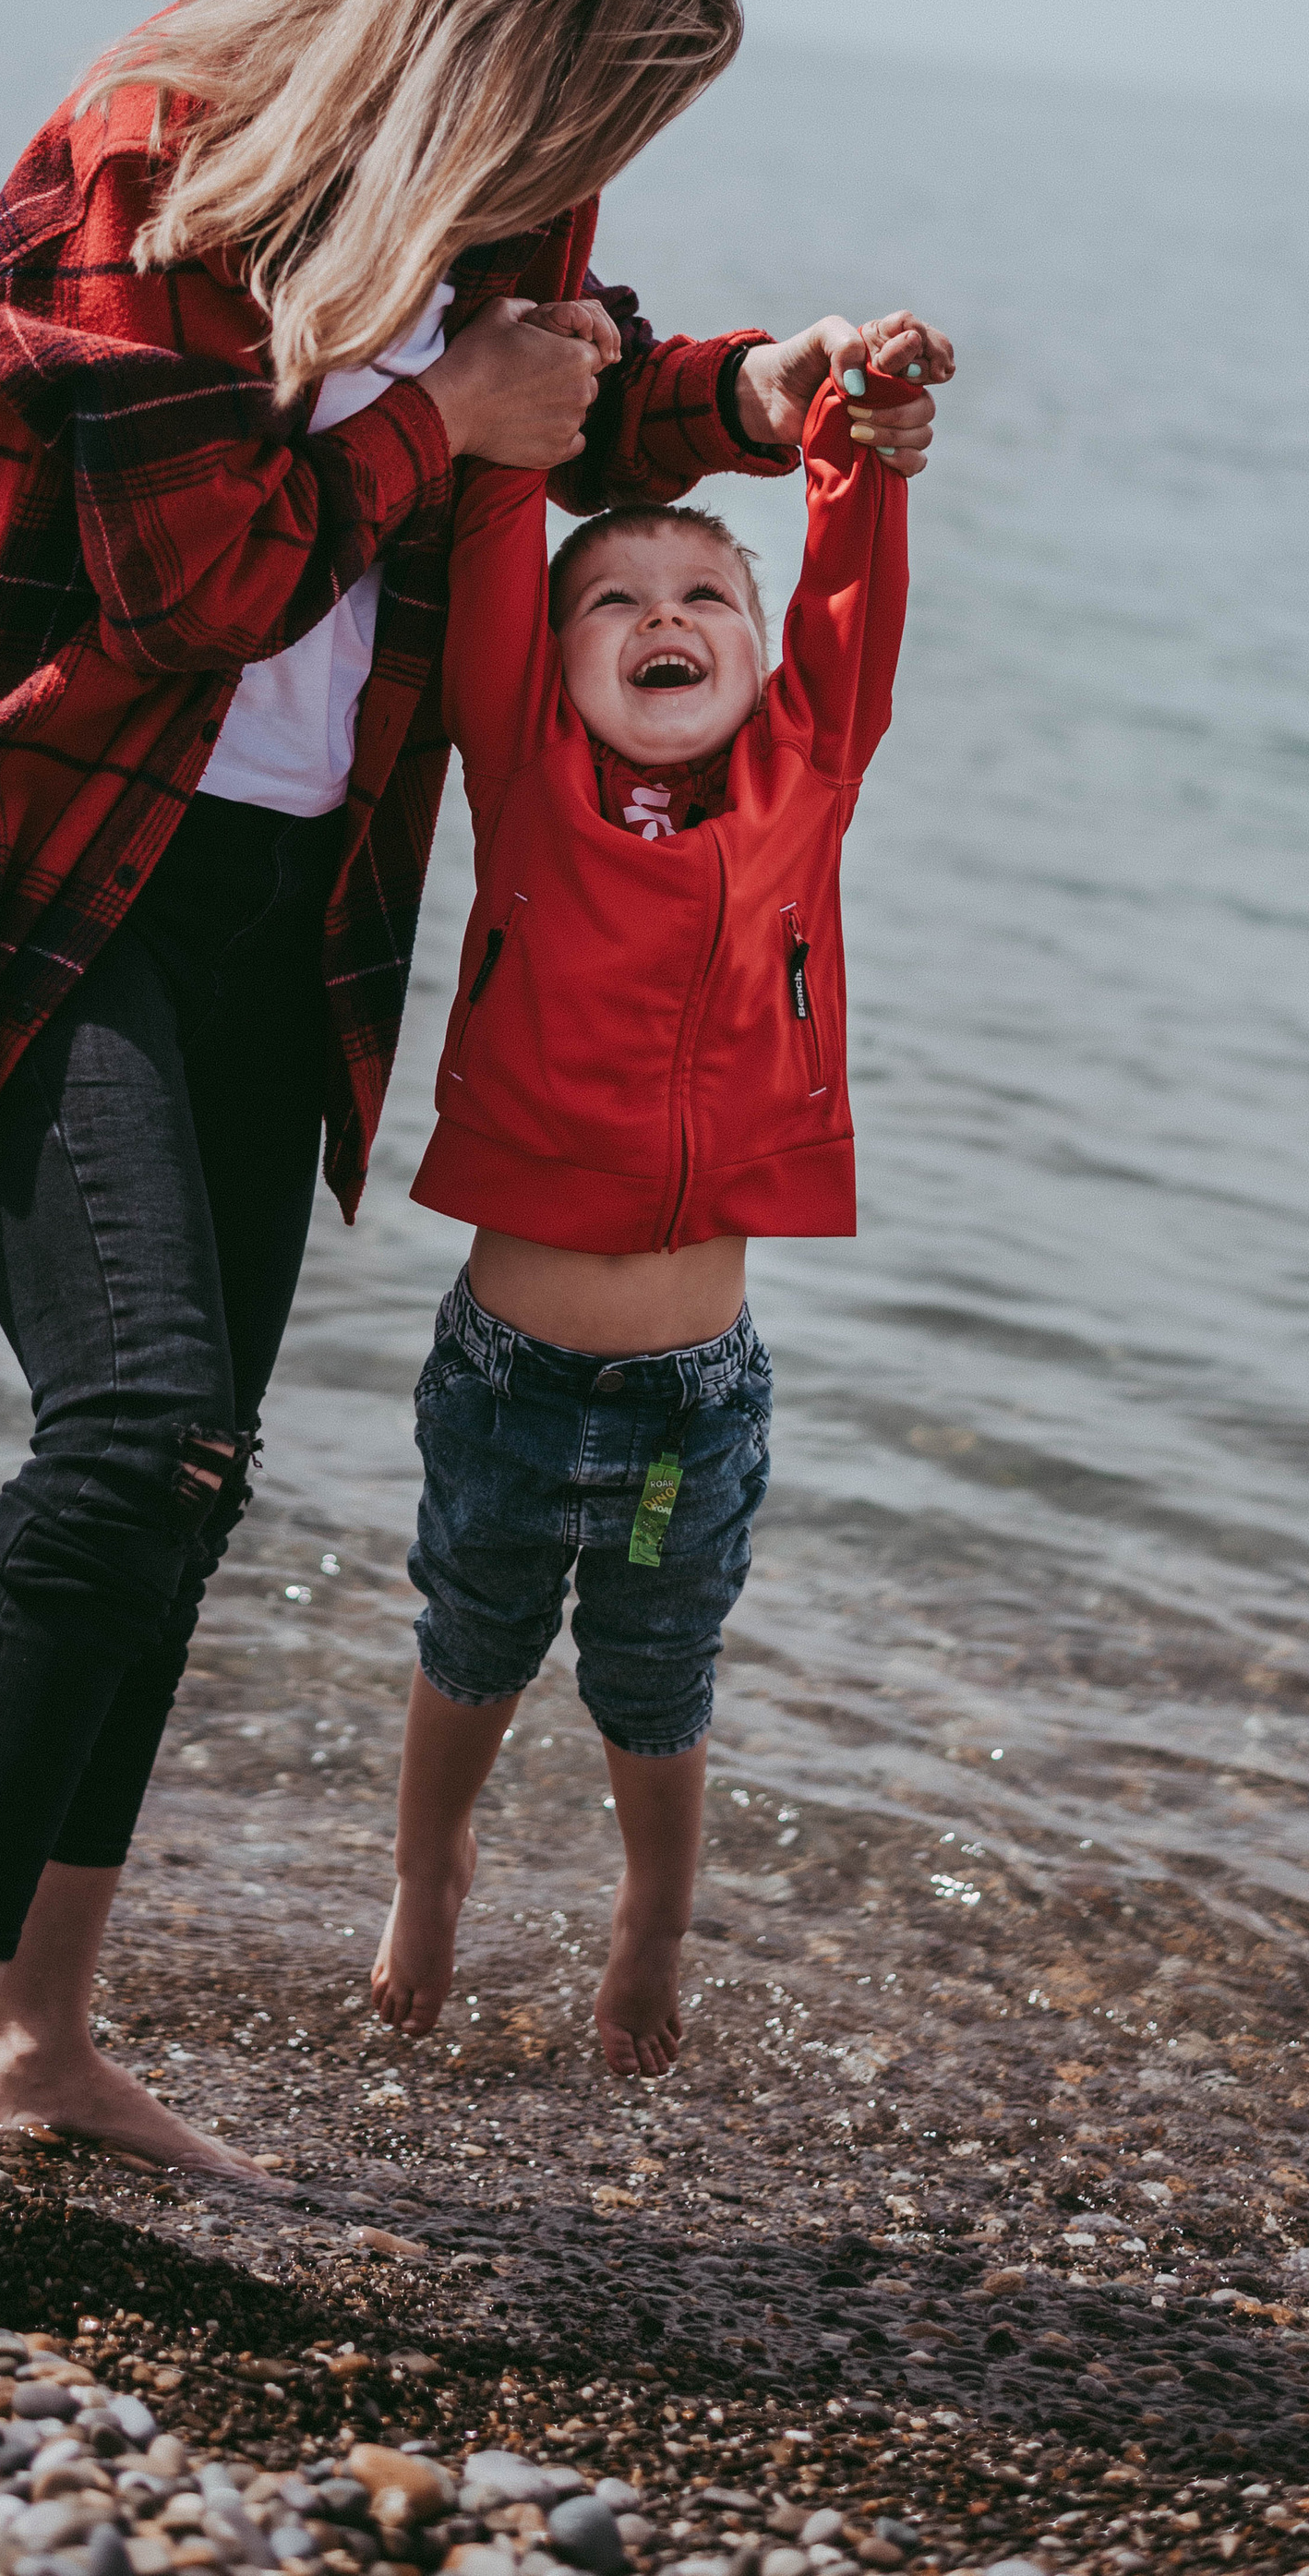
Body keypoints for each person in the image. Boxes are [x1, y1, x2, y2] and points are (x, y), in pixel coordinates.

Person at [0, 0, 943, 2329]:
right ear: (476, 31)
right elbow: (197, 568)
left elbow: (581, 393)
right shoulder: (144, 165)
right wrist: (456, 420)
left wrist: (775, 395)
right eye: (584, 110)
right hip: (44, 868)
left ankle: (40, 2048)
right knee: (131, 1434)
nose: (586, 171)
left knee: (185, 1485)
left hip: (277, 911)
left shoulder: (498, 214)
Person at [369, 311, 951, 2075]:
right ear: (554, 664)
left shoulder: (802, 788)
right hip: (505, 1371)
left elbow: (854, 600)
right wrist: (514, 416)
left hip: (690, 1402)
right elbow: (491, 544)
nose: (664, 620)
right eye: (614, 601)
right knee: (469, 1638)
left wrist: (854, 424)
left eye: (706, 598)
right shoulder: (523, 773)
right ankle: (430, 1865)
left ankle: (647, 1924)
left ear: (765, 663)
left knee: (652, 1670)